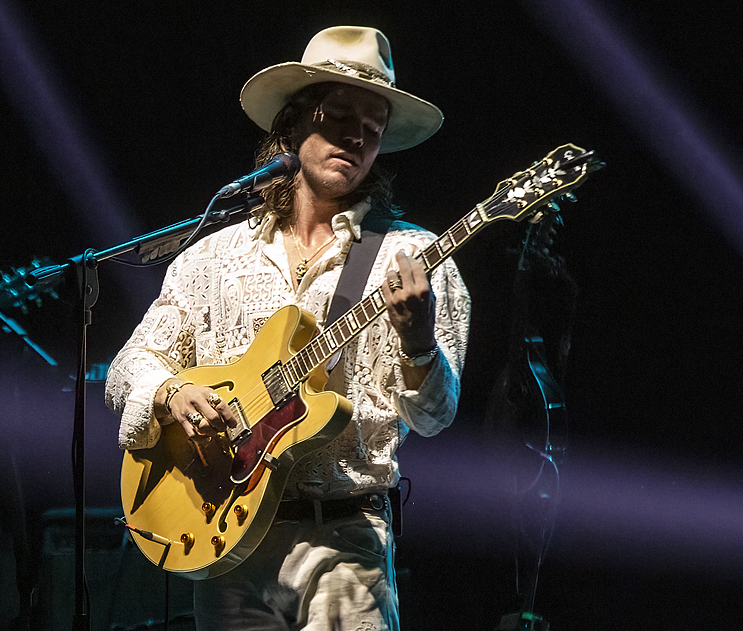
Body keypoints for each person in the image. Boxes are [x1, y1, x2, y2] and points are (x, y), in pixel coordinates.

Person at [105, 25, 470, 630]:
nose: (356, 136)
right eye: (339, 115)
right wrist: (172, 394)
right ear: (292, 125)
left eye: (373, 128)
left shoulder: (410, 257)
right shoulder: (214, 257)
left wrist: (419, 342)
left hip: (347, 546)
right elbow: (129, 367)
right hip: (223, 531)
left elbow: (434, 418)